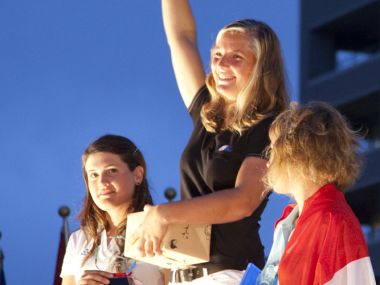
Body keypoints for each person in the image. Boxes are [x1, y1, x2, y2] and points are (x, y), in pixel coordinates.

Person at [127, 1, 289, 284]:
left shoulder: (270, 127)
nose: (221, 64)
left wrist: (164, 214)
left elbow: (244, 201)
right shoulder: (207, 114)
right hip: (184, 274)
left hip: (231, 274)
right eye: (217, 54)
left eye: (236, 57)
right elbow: (180, 37)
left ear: (261, 67)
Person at [256, 102, 376, 284]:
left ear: (297, 154)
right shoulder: (289, 222)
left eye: (272, 149)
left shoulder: (333, 221)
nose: (267, 160)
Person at [60, 134, 164, 285]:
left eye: (111, 171)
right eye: (93, 175)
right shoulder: (79, 240)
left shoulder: (162, 230)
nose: (102, 181)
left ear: (137, 175)